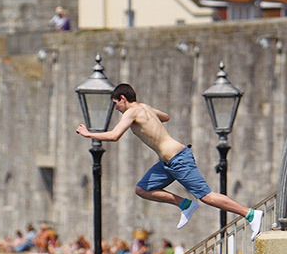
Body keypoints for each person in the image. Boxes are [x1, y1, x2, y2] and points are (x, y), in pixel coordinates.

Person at [76, 83, 263, 240]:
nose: (117, 110)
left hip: (178, 159)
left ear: (123, 99)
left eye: (117, 105)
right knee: (142, 189)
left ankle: (250, 214)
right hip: (167, 163)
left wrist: (88, 134)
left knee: (206, 196)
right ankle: (185, 205)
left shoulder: (131, 112)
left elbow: (115, 135)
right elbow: (166, 117)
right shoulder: (145, 107)